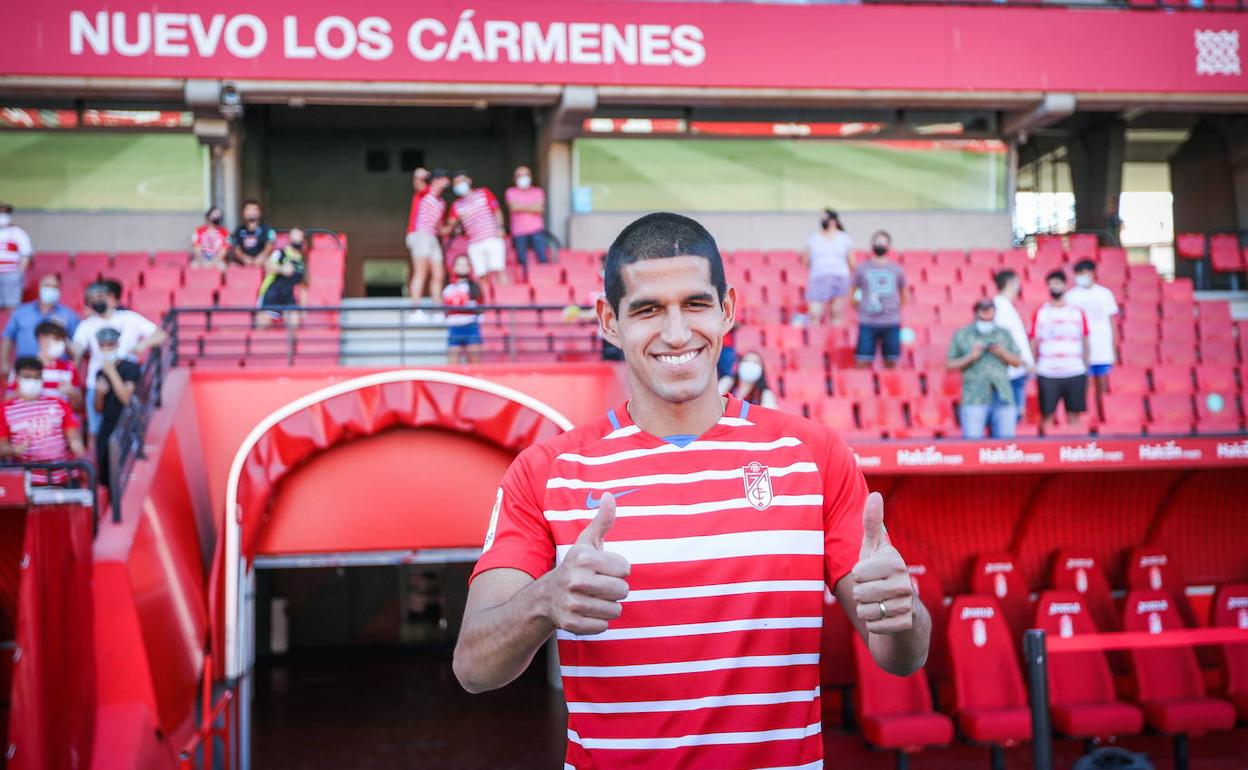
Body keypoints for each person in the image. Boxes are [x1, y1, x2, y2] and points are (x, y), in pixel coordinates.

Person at [453, 212, 930, 769]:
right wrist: (545, 600)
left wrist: (903, 609)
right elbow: (473, 667)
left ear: (726, 309)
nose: (677, 333)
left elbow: (902, 658)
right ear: (609, 321)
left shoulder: (815, 455)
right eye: (648, 310)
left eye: (695, 305)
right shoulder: (547, 470)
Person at [71, 281, 166, 435]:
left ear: (113, 299)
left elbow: (160, 335)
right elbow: (77, 349)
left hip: (128, 381)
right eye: (93, 298)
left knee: (130, 431)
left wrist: (142, 345)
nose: (98, 301)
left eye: (101, 296)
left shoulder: (130, 318)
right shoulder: (86, 325)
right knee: (97, 431)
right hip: (98, 385)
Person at [0, 357, 86, 485]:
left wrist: (77, 445)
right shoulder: (5, 411)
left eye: (37, 377)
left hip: (64, 477)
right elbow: (2, 447)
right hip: (28, 482)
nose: (32, 381)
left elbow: (73, 436)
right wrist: (13, 450)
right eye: (27, 377)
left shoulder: (58, 404)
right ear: (17, 378)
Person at [947, 299, 1022, 439]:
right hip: (973, 396)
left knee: (1006, 449)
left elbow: (1017, 362)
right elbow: (949, 365)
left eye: (989, 310)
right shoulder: (963, 334)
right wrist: (971, 357)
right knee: (972, 447)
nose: (986, 314)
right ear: (976, 312)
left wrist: (1002, 353)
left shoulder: (1004, 334)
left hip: (1002, 395)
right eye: (983, 310)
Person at [1030, 270, 1090, 428]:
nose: (1054, 287)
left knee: (1074, 415)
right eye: (1050, 284)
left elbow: (1085, 339)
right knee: (1047, 415)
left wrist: (1085, 364)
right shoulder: (1041, 312)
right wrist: (1034, 364)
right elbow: (1034, 340)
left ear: (1065, 285)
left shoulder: (1077, 312)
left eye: (1057, 283)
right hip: (1048, 371)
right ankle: (1045, 450)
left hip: (1074, 370)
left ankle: (1074, 451)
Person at [1, 273, 80, 375]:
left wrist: (73, 370)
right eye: (47, 286)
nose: (50, 290)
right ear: (39, 288)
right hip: (25, 369)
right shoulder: (21, 312)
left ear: (59, 291)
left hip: (57, 371)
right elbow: (8, 336)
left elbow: (77, 347)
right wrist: (4, 362)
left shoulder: (69, 315)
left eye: (54, 287)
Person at [92, 327, 141, 489]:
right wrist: (99, 394)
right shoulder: (99, 372)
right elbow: (98, 408)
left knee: (125, 469)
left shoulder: (130, 368)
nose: (106, 349)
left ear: (117, 345)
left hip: (127, 424)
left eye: (110, 345)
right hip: (107, 425)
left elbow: (126, 398)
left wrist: (112, 372)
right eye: (102, 345)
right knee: (105, 469)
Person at [1064, 259, 1119, 400]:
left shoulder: (1105, 294)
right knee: (1083, 384)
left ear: (1093, 272)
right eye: (1078, 273)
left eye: (1084, 272)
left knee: (1102, 383)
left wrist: (1114, 346)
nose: (1081, 276)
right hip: (1080, 348)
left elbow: (1112, 321)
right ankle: (1086, 414)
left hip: (1102, 347)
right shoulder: (1071, 296)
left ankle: (1104, 414)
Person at [852, 230, 906, 369]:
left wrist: (893, 308)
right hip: (868, 321)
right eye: (877, 242)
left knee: (891, 361)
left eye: (883, 242)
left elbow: (903, 295)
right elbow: (851, 294)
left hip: (891, 322)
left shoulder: (897, 270)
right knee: (863, 360)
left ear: (889, 246)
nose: (880, 245)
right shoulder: (861, 268)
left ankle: (889, 390)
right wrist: (861, 307)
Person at [445, 173, 507, 286]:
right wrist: (459, 219)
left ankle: (507, 300)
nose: (459, 185)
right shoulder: (457, 205)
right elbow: (450, 223)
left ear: (469, 180)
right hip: (474, 243)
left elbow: (497, 211)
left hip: (492, 238)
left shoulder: (483, 193)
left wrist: (500, 227)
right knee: (481, 275)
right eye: (456, 183)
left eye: (461, 181)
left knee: (499, 270)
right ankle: (487, 301)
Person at [6, 321, 83, 409]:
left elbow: (78, 407)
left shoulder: (70, 368)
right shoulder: (23, 367)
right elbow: (7, 401)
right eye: (57, 339)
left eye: (63, 340)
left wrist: (72, 393)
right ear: (42, 339)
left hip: (59, 419)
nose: (61, 344)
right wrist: (24, 390)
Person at [991, 269, 1035, 422]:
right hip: (1009, 370)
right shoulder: (1000, 307)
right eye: (1017, 282)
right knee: (1009, 416)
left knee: (1015, 414)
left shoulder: (1006, 306)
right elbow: (1001, 341)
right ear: (1010, 283)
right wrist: (1021, 360)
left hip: (1016, 369)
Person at [407, 170, 450, 310]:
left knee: (439, 273)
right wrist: (423, 174)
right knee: (421, 271)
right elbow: (418, 178)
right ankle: (415, 310)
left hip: (432, 237)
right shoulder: (425, 192)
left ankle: (438, 309)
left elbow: (440, 228)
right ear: (436, 180)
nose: (447, 182)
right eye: (444, 179)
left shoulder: (442, 203)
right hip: (419, 234)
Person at [803, 209, 854, 325]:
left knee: (836, 311)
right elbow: (806, 260)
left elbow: (852, 262)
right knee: (815, 312)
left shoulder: (844, 238)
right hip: (819, 276)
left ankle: (835, 339)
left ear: (833, 220)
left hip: (839, 276)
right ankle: (815, 339)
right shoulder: (814, 238)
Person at [256, 227, 307, 330]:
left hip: (288, 296)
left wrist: (303, 308)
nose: (297, 239)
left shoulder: (301, 261)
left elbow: (303, 286)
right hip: (272, 294)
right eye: (295, 236)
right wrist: (281, 269)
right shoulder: (280, 253)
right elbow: (268, 266)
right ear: (289, 239)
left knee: (294, 323)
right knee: (262, 327)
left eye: (300, 236)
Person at [442, 255, 485, 365]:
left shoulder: (475, 287)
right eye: (459, 264)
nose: (462, 267)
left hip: (471, 327)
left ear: (470, 268)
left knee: (474, 362)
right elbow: (446, 308)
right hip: (454, 328)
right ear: (454, 267)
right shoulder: (448, 288)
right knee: (453, 361)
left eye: (465, 264)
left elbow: (480, 307)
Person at [505, 166, 549, 271]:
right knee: (521, 261)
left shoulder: (538, 191)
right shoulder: (510, 191)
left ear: (530, 177)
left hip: (536, 229)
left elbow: (539, 209)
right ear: (515, 178)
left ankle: (544, 279)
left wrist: (521, 206)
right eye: (520, 176)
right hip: (519, 231)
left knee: (542, 257)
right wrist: (531, 206)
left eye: (525, 175)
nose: (523, 178)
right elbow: (513, 207)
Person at [0, 201, 33, 309]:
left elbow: (25, 254)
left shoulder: (18, 233)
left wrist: (19, 272)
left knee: (12, 306)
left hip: (11, 274)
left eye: (4, 213)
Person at [229, 200, 276, 267]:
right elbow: (237, 249)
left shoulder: (266, 229)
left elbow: (269, 247)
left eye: (254, 210)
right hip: (243, 262)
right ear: (243, 213)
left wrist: (260, 258)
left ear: (260, 213)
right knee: (231, 266)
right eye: (248, 209)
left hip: (262, 260)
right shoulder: (239, 230)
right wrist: (244, 258)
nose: (251, 212)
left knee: (270, 264)